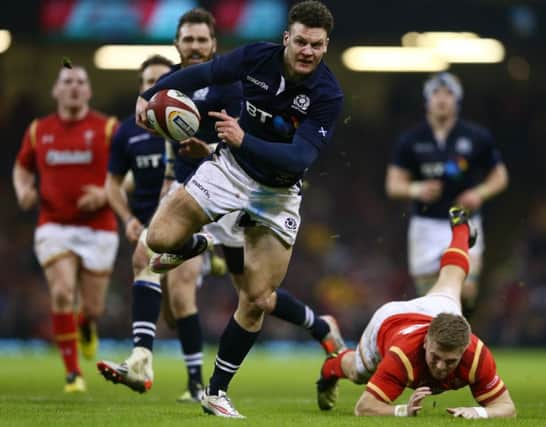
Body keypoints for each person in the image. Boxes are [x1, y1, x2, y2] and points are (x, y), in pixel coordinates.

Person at [100, 6, 345, 407]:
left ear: (325, 46)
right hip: (229, 171)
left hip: (278, 193)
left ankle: (215, 392)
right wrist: (149, 95)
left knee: (258, 298)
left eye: (316, 45)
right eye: (300, 41)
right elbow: (203, 74)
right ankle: (194, 244)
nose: (307, 51)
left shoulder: (327, 95)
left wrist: (242, 139)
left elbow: (300, 158)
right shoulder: (256, 57)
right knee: (157, 240)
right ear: (287, 37)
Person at [315, 207, 517, 419]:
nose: (440, 367)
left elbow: (507, 409)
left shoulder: (476, 357)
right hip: (391, 320)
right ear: (426, 343)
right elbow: (363, 408)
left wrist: (478, 412)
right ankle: (330, 367)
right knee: (358, 372)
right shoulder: (403, 356)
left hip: (436, 312)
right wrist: (403, 410)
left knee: (452, 277)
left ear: (464, 350)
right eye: (436, 357)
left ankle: (461, 230)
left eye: (450, 361)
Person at [12, 65, 119, 392]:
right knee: (61, 292)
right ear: (56, 91)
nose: (74, 87)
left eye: (80, 83)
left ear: (88, 91)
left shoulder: (107, 129)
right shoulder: (38, 130)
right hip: (53, 224)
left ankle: (87, 324)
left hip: (99, 226)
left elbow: (126, 173)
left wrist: (104, 193)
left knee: (93, 307)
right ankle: (73, 373)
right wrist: (23, 189)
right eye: (67, 82)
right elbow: (21, 166)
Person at [385, 72, 509, 314]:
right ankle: (435, 347)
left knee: (466, 290)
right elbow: (393, 184)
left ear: (457, 100)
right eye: (436, 93)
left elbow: (500, 176)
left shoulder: (476, 137)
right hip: (426, 225)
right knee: (429, 296)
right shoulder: (410, 140)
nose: (442, 99)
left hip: (463, 222)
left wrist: (479, 193)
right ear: (426, 100)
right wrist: (416, 188)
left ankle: (461, 341)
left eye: (449, 93)